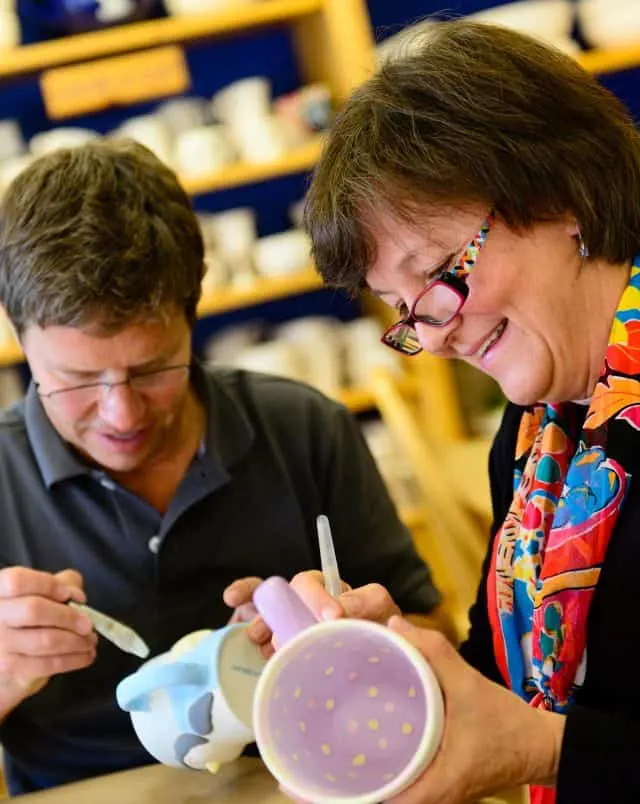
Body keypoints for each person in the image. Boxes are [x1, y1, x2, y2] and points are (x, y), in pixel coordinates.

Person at [0, 139, 446, 796]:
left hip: (302, 779)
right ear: (18, 338)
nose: (120, 413)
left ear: (194, 315)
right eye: (75, 379)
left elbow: (433, 635)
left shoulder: (303, 429)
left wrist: (350, 648)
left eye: (153, 369)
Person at [299, 18, 640, 804]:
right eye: (403, 309)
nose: (439, 328)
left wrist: (551, 751)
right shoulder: (537, 439)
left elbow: (539, 734)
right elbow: (505, 681)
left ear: (561, 196)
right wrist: (396, 665)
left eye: (442, 272)